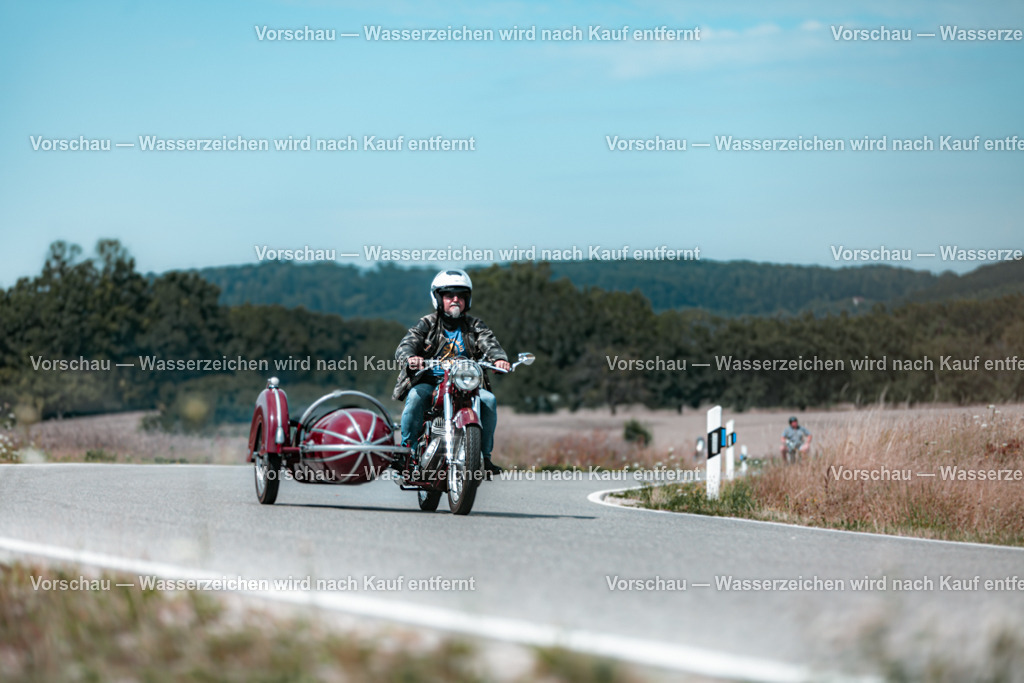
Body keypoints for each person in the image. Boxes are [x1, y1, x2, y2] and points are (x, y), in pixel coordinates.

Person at [392, 269, 511, 474]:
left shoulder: (474, 325)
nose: (456, 300)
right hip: (431, 381)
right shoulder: (427, 324)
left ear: (467, 300)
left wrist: (499, 359)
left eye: (461, 296)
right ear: (439, 299)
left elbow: (490, 343)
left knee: (489, 400)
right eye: (449, 295)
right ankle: (407, 452)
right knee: (415, 397)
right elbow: (407, 344)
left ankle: (484, 458)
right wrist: (410, 357)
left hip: (465, 384)